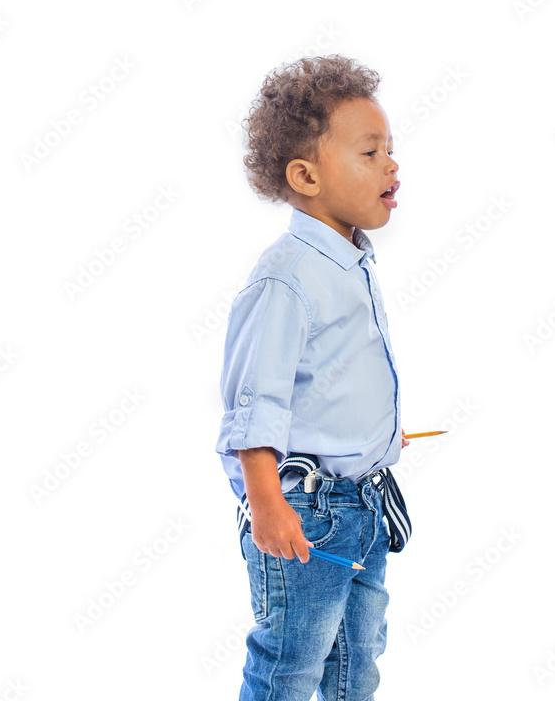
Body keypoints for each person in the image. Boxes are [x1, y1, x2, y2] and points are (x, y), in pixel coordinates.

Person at [214, 54, 411, 701]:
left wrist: (374, 435)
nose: (392, 165)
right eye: (370, 151)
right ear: (305, 174)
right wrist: (266, 502)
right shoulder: (287, 275)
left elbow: (328, 380)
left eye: (391, 149)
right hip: (307, 512)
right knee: (290, 664)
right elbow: (255, 401)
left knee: (357, 664)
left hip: (362, 508)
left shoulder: (349, 261)